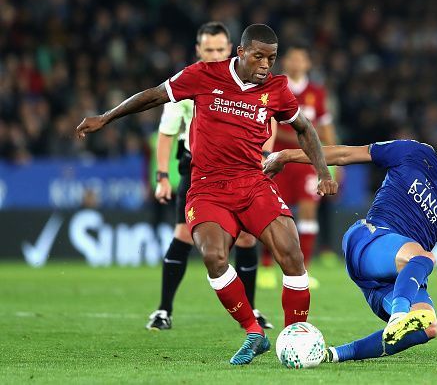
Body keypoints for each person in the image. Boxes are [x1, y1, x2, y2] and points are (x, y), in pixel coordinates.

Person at [76, 24, 338, 365]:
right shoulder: (203, 75)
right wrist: (106, 118)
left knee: (291, 254)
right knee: (214, 257)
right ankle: (253, 331)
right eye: (258, 56)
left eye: (271, 59)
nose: (265, 65)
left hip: (253, 183)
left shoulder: (277, 89)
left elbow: (304, 129)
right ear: (240, 52)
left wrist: (323, 171)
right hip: (207, 188)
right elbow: (154, 94)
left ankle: (294, 337)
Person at [264, 114, 437, 362]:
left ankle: (332, 356)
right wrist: (286, 155)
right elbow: (346, 155)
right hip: (368, 241)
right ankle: (399, 314)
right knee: (425, 257)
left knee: (427, 327)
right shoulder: (414, 153)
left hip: (395, 278)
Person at [146, 21, 272, 331]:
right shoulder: (191, 80)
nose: (215, 54)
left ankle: (252, 310)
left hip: (243, 168)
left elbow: (270, 117)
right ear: (198, 50)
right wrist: (163, 175)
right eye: (209, 49)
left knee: (246, 236)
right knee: (184, 234)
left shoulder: (250, 76)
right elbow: (166, 132)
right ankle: (163, 310)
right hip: (197, 168)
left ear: (231, 49)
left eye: (220, 49)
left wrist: (265, 155)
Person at [259, 43, 338, 289]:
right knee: (269, 212)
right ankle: (267, 266)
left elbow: (324, 128)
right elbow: (268, 125)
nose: (296, 64)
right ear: (286, 63)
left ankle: (304, 270)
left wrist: (335, 160)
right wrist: (299, 139)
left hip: (306, 163)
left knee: (308, 212)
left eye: (300, 60)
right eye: (292, 59)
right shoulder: (275, 87)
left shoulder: (317, 92)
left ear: (307, 64)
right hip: (279, 159)